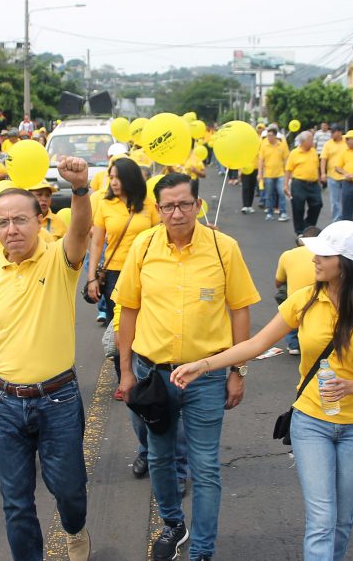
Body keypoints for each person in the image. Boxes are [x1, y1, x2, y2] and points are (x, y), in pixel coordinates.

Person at [170, 220, 353, 561]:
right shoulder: (304, 300)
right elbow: (255, 344)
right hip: (311, 422)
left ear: (346, 264)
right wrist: (203, 365)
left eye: (324, 255)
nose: (315, 259)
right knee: (322, 519)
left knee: (341, 520)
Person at [0, 156, 95, 561]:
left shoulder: (60, 259)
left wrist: (80, 188)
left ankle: (74, 528)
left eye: (20, 220)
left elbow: (81, 227)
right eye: (3, 222)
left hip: (58, 400)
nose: (11, 229)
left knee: (69, 489)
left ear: (40, 220)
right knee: (16, 502)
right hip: (5, 402)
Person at [115, 173, 260, 561]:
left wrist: (238, 371)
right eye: (168, 206)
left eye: (184, 204)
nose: (176, 213)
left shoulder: (223, 249)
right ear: (158, 208)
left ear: (198, 205)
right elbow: (128, 310)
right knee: (160, 457)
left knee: (206, 467)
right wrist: (126, 371)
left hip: (206, 378)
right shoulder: (143, 247)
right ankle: (173, 524)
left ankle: (203, 550)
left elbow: (240, 310)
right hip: (154, 377)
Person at [86, 157, 159, 381]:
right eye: (111, 177)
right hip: (115, 275)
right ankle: (124, 377)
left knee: (147, 322)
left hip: (147, 273)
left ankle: (146, 375)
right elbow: (97, 243)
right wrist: (91, 278)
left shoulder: (148, 203)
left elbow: (162, 234)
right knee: (118, 327)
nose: (114, 182)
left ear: (131, 178)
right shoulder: (105, 204)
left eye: (118, 177)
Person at [275, 226, 321, 355]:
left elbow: (278, 282)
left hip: (295, 302)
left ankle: (293, 343)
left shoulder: (287, 255)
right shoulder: (324, 256)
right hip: (320, 299)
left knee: (286, 297)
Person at [284, 131, 323, 236]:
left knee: (317, 204)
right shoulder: (294, 153)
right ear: (303, 142)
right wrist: (286, 185)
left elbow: (316, 167)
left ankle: (308, 226)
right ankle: (300, 231)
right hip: (299, 183)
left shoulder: (313, 151)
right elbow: (288, 169)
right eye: (311, 140)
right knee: (298, 207)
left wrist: (319, 181)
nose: (313, 142)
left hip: (313, 184)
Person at [258, 125, 290, 222]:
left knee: (281, 193)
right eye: (268, 136)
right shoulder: (264, 146)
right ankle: (269, 213)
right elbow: (261, 160)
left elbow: (286, 160)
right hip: (268, 174)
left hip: (280, 174)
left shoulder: (282, 145)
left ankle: (283, 212)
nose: (269, 138)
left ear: (275, 136)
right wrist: (260, 173)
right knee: (269, 195)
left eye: (271, 136)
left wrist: (288, 173)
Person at [320, 124, 347, 222]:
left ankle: (345, 220)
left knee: (345, 200)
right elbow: (323, 159)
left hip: (345, 176)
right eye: (331, 132)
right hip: (332, 176)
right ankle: (336, 220)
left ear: (340, 132)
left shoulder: (346, 141)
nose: (331, 134)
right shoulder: (328, 144)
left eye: (333, 132)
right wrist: (323, 173)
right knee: (334, 201)